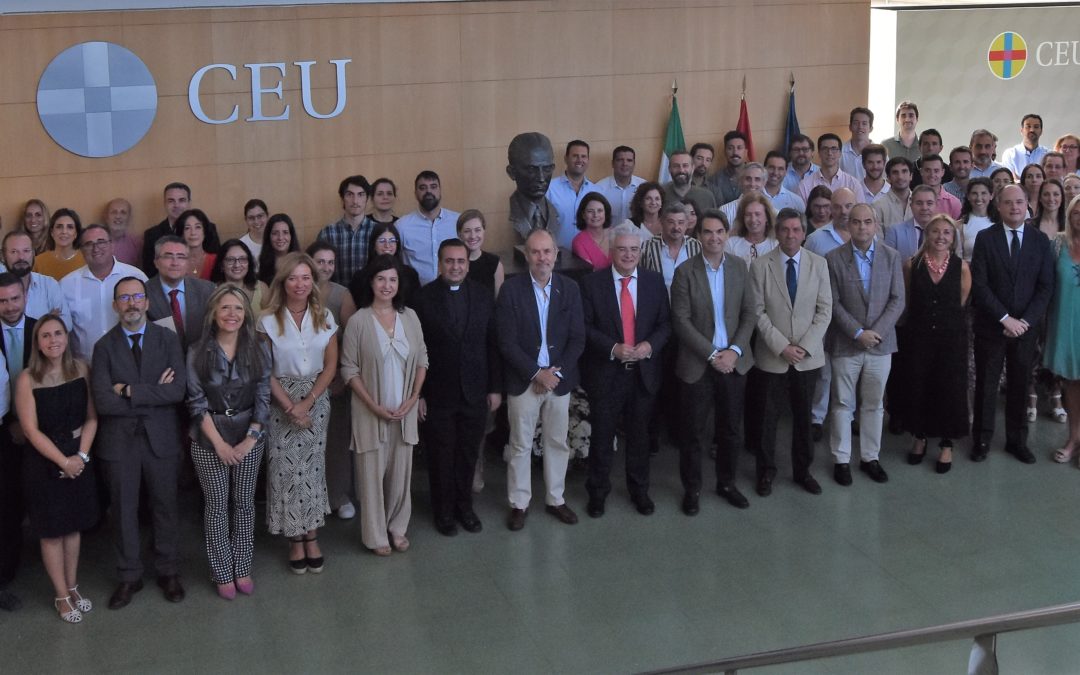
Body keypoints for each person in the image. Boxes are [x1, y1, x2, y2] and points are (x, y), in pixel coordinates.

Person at [90, 276, 187, 609]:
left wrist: (129, 390)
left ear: (147, 302)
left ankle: (168, 570)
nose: (131, 303)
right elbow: (103, 401)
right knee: (123, 511)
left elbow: (177, 391)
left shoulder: (168, 339)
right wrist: (152, 392)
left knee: (165, 506)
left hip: (161, 438)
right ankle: (129, 575)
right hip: (119, 443)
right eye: (124, 298)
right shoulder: (103, 347)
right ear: (115, 305)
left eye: (137, 297)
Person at [185, 285, 270, 600]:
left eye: (238, 308)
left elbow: (263, 395)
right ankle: (222, 571)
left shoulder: (259, 346)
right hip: (209, 438)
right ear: (213, 314)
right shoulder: (196, 351)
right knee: (217, 506)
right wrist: (219, 444)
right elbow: (195, 402)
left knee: (245, 505)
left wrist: (251, 438)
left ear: (246, 313)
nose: (232, 314)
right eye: (225, 308)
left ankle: (243, 567)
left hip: (250, 435)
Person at [496, 228, 584, 531]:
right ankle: (519, 503)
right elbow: (506, 342)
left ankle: (555, 499)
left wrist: (553, 375)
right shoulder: (511, 290)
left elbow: (577, 339)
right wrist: (536, 374)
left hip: (558, 381)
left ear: (556, 255)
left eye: (547, 251)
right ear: (526, 255)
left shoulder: (570, 289)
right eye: (535, 252)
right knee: (519, 444)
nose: (542, 257)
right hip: (525, 381)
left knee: (557, 442)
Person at [579, 224, 670, 517]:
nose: (628, 254)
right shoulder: (592, 284)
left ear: (640, 252)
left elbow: (665, 324)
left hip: (643, 372)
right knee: (602, 436)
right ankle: (597, 492)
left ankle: (639, 491)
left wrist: (649, 346)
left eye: (634, 249)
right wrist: (612, 348)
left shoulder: (655, 283)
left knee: (640, 437)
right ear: (611, 251)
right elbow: (585, 327)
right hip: (607, 372)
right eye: (622, 249)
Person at [340, 254, 427, 553]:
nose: (387, 285)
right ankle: (376, 536)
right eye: (381, 279)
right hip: (370, 413)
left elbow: (423, 360)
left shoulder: (411, 317)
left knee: (400, 475)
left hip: (404, 412)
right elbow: (349, 370)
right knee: (371, 477)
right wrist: (374, 406)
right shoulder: (358, 322)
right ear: (371, 282)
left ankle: (397, 527)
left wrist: (414, 398)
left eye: (392, 279)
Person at [257, 253, 338, 573]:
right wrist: (290, 406)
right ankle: (294, 540)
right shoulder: (267, 320)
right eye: (293, 278)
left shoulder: (325, 316)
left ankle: (312, 535)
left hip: (316, 401)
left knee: (313, 472)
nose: (300, 284)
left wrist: (308, 402)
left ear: (313, 282)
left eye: (306, 278)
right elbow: (264, 370)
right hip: (279, 405)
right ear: (283, 282)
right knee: (286, 473)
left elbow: (331, 364)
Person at [671, 210, 755, 512]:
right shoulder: (685, 272)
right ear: (699, 236)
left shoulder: (739, 267)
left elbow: (749, 314)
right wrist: (712, 354)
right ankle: (692, 489)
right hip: (698, 364)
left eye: (720, 232)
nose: (714, 237)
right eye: (708, 232)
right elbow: (681, 322)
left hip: (734, 363)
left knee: (730, 429)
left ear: (727, 234)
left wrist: (734, 351)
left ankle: (727, 483)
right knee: (692, 432)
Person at [16, 314, 98, 623]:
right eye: (46, 336)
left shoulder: (81, 369)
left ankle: (73, 586)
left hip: (78, 456)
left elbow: (91, 417)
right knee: (52, 531)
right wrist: (63, 462)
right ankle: (61, 595)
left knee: (73, 526)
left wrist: (81, 458)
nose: (53, 340)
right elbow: (30, 430)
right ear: (37, 343)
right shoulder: (27, 379)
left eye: (58, 334)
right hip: (44, 461)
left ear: (67, 337)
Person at [415, 240, 498, 534]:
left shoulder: (484, 295)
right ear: (439, 264)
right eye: (449, 261)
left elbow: (493, 344)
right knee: (441, 455)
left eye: (460, 261)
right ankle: (444, 512)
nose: (455, 266)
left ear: (468, 264)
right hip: (438, 393)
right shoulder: (423, 298)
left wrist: (495, 388)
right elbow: (417, 350)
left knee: (467, 453)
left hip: (475, 391)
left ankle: (465, 507)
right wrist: (419, 394)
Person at [748, 208, 832, 496]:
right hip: (772, 356)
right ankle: (766, 472)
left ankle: (802, 471)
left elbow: (824, 311)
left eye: (796, 230)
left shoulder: (819, 265)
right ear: (777, 232)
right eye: (785, 230)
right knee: (767, 419)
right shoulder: (761, 266)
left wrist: (804, 347)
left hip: (807, 359)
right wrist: (782, 346)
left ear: (804, 233)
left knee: (803, 419)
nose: (791, 235)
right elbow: (757, 312)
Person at [970, 184, 1055, 464]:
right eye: (1008, 203)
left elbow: (1045, 287)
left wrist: (1025, 321)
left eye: (1019, 202)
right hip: (992, 325)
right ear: (999, 206)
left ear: (1027, 205)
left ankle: (1016, 441)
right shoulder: (985, 238)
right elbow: (980, 285)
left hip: (1026, 329)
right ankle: (981, 439)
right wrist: (1005, 318)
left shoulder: (1040, 240)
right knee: (986, 383)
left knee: (1020, 384)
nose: (1015, 207)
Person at [825, 204, 904, 484]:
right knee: (842, 403)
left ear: (875, 225)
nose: (862, 227)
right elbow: (832, 303)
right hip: (847, 343)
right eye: (856, 222)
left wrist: (875, 333)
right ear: (848, 225)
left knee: (873, 404)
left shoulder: (892, 257)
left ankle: (870, 457)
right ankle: (842, 459)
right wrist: (858, 333)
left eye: (867, 222)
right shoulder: (833, 258)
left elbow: (898, 300)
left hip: (881, 345)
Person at [900, 215, 971, 473]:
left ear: (953, 239)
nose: (941, 237)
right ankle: (919, 437)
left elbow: (961, 301)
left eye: (947, 233)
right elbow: (907, 301)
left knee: (949, 389)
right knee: (919, 386)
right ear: (926, 235)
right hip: (919, 337)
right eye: (935, 232)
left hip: (951, 338)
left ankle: (946, 443)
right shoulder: (912, 265)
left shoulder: (962, 267)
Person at [305, 241, 357, 521]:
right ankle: (313, 497)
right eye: (320, 261)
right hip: (303, 381)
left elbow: (350, 339)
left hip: (334, 379)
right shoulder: (298, 289)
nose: (325, 267)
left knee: (336, 441)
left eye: (330, 262)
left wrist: (341, 378)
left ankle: (339, 495)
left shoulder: (342, 294)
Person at [60, 225, 148, 361]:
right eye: (89, 244)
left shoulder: (136, 276)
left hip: (131, 364)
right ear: (81, 250)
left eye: (101, 242)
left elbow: (154, 320)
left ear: (112, 245)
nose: (96, 248)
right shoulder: (66, 285)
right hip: (85, 367)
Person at [1046, 196, 1080, 464]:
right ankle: (1074, 438)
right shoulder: (1058, 243)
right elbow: (1045, 283)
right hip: (1065, 322)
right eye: (1076, 213)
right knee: (1071, 383)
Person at [145, 236, 215, 353]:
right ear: (156, 262)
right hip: (164, 366)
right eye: (168, 256)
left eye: (181, 257)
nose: (175, 263)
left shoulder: (207, 290)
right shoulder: (144, 293)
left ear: (188, 263)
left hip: (201, 364)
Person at [397, 171, 460, 286]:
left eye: (433, 187)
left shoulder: (458, 221)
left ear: (440, 191)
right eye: (422, 188)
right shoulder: (402, 226)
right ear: (415, 193)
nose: (428, 191)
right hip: (416, 295)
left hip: (452, 292)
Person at [2, 231, 71, 327]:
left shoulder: (49, 284)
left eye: (26, 251)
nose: (21, 257)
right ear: (3, 255)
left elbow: (66, 325)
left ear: (33, 253)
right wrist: (46, 322)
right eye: (14, 252)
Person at [348, 223, 421, 309]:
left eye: (392, 240)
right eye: (382, 241)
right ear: (373, 245)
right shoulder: (360, 277)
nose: (387, 245)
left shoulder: (410, 275)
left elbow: (417, 307)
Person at [317, 175, 374, 284]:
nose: (355, 200)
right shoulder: (327, 233)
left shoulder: (377, 231)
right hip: (335, 298)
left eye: (361, 195)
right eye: (349, 194)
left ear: (367, 198)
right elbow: (317, 271)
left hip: (370, 299)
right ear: (342, 198)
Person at [506, 132, 559, 242]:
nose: (541, 178)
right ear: (512, 172)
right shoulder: (506, 213)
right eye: (531, 170)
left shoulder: (553, 212)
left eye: (547, 169)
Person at [547, 140, 597, 250]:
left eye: (583, 156)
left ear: (588, 160)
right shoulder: (549, 189)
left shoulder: (596, 191)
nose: (580, 160)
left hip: (588, 255)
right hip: (557, 255)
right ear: (566, 158)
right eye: (575, 156)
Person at [641, 203, 702, 291]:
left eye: (681, 222)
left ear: (687, 224)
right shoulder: (647, 247)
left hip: (688, 303)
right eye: (671, 222)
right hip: (658, 302)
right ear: (662, 222)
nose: (676, 227)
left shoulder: (696, 246)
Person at [142, 182, 191, 272]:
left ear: (189, 203)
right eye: (171, 201)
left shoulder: (207, 230)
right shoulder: (151, 235)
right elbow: (149, 272)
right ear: (164, 204)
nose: (176, 205)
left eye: (181, 200)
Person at [210, 239, 269, 314]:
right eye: (230, 260)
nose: (237, 265)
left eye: (242, 259)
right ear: (221, 265)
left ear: (249, 263)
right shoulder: (212, 292)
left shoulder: (262, 289)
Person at [798, 133, 861, 203]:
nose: (829, 153)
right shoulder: (805, 185)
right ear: (819, 153)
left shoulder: (853, 184)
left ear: (840, 153)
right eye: (825, 149)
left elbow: (860, 212)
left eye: (834, 149)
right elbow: (802, 213)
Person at [457, 209, 505, 296]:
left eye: (477, 230)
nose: (473, 236)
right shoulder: (453, 263)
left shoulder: (495, 264)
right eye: (467, 231)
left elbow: (499, 304)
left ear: (484, 231)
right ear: (459, 234)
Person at [885, 185, 938, 261]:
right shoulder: (894, 232)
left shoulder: (948, 233)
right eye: (919, 203)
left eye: (929, 203)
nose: (924, 208)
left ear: (936, 205)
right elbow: (887, 265)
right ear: (911, 205)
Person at [594, 145, 644, 224]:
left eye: (629, 160)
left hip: (638, 235)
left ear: (634, 164)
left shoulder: (644, 187)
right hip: (609, 236)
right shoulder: (599, 188)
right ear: (613, 163)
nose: (625, 164)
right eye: (620, 160)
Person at [724, 191, 778, 264]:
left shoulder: (776, 246)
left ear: (767, 217)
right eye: (748, 215)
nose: (753, 219)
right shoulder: (731, 245)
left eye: (757, 214)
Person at [34, 209, 85, 281]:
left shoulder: (86, 261)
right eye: (59, 227)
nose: (64, 231)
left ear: (76, 233)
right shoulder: (38, 263)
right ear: (52, 232)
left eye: (70, 227)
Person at [571, 192, 614, 270]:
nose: (595, 215)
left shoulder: (617, 234)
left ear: (605, 213)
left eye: (600, 211)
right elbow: (589, 273)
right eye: (590, 211)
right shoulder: (579, 242)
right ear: (583, 215)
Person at [957, 178, 996, 262]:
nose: (979, 198)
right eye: (974, 193)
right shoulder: (960, 226)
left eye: (983, 193)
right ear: (968, 196)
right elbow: (958, 259)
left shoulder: (1000, 223)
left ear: (991, 195)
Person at [173, 209, 218, 281]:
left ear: (205, 231)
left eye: (198, 227)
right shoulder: (174, 262)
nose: (193, 233)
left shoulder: (216, 260)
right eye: (187, 228)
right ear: (181, 234)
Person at [256, 213, 300, 286]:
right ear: (268, 236)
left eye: (285, 232)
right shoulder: (260, 262)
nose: (280, 237)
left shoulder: (301, 261)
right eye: (275, 233)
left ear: (291, 236)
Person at [707, 131, 749, 205]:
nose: (735, 152)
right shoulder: (714, 180)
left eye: (739, 148)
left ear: (746, 152)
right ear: (724, 152)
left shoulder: (756, 177)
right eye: (730, 148)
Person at [1001, 114, 1049, 178]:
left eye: (1036, 127)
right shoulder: (1010, 154)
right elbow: (1008, 180)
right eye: (1028, 126)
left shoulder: (1048, 155)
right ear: (1021, 131)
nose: (1032, 130)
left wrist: (1018, 180)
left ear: (1041, 131)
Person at [872, 157, 915, 229]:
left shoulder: (922, 203)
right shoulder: (877, 206)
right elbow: (878, 239)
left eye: (904, 171)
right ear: (888, 178)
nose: (900, 177)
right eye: (895, 172)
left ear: (911, 176)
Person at [919, 154, 962, 219]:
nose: (932, 174)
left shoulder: (954, 203)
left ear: (942, 172)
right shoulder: (912, 200)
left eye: (936, 171)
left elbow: (958, 228)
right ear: (921, 171)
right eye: (928, 170)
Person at [103, 198, 141, 267]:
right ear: (106, 216)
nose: (118, 216)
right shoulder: (96, 242)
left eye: (123, 212)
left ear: (129, 217)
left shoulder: (137, 243)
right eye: (114, 212)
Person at [841, 107, 874, 180]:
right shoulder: (840, 152)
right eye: (856, 123)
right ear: (850, 127)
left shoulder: (880, 153)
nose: (860, 127)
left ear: (871, 128)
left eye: (864, 123)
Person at [239, 199, 268, 264]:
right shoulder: (241, 245)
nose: (256, 221)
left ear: (267, 216)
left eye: (260, 216)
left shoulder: (277, 240)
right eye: (251, 218)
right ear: (246, 220)